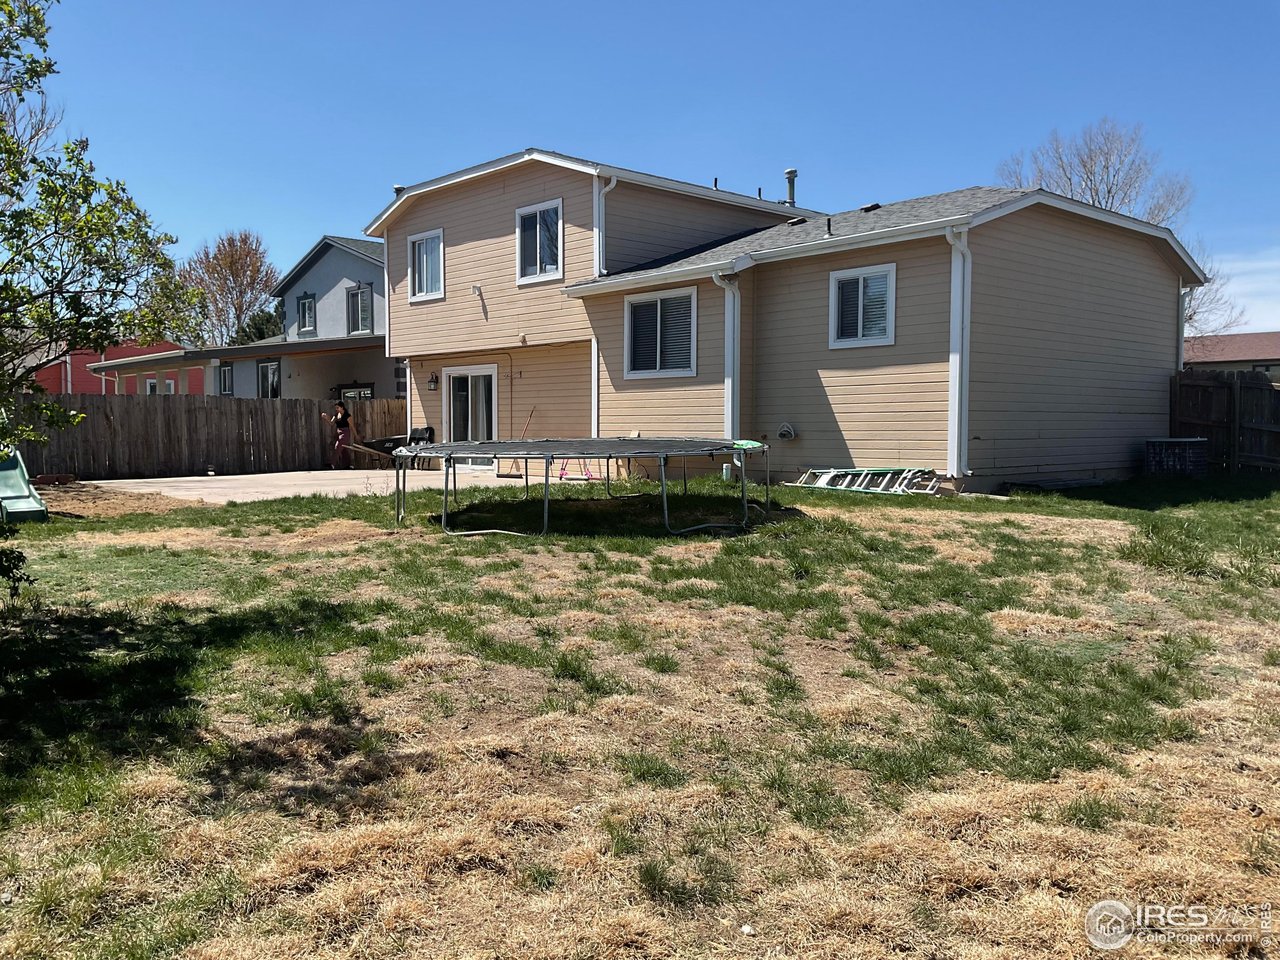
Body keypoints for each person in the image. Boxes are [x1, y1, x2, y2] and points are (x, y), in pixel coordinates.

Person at [322, 400, 355, 469]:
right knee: (343, 450)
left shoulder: (347, 415)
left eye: (338, 408)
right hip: (339, 433)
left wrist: (356, 436)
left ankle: (332, 464)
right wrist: (326, 417)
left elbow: (352, 426)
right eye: (336, 408)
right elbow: (331, 423)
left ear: (342, 407)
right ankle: (347, 465)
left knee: (337, 446)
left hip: (345, 434)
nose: (336, 409)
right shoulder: (336, 415)